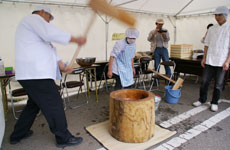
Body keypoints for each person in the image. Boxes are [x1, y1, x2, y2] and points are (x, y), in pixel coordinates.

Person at [10, 5, 87, 148]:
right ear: (42, 12)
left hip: (32, 75)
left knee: (33, 105)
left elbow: (52, 52)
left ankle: (18, 134)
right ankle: (63, 138)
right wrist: (75, 39)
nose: (49, 21)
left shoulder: (36, 33)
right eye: (49, 18)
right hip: (35, 75)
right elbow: (50, 33)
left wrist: (63, 66)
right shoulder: (33, 19)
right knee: (54, 104)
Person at [192, 6, 230, 112]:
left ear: (225, 15)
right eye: (216, 15)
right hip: (210, 59)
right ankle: (202, 99)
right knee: (204, 82)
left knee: (218, 84)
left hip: (222, 61)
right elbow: (206, 44)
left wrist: (227, 61)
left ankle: (214, 102)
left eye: (219, 15)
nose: (217, 17)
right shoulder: (212, 29)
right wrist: (204, 58)